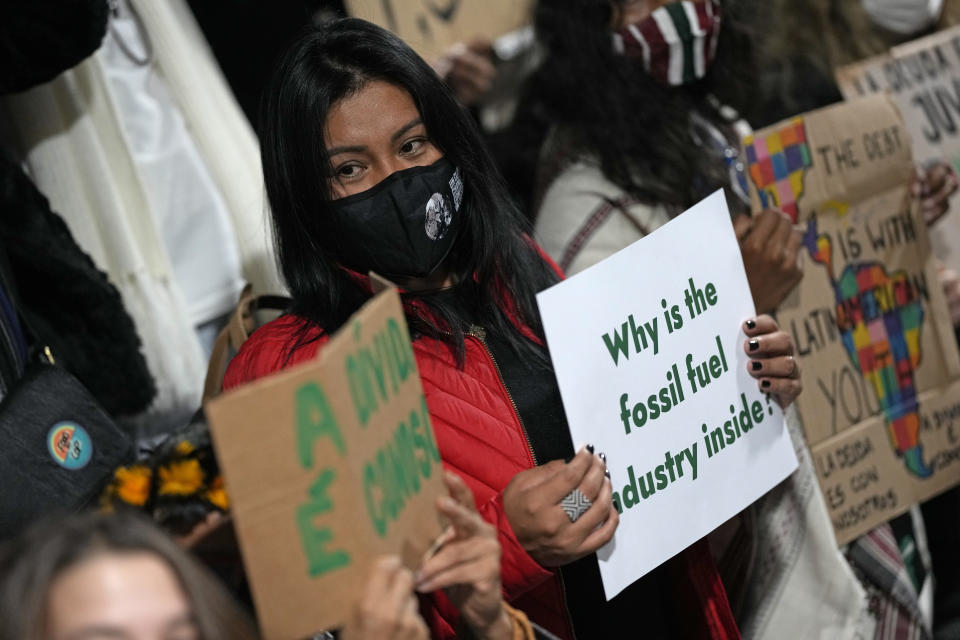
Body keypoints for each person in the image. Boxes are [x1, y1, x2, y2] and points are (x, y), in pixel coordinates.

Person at [223, 17, 802, 639]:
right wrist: (507, 547)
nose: (395, 183)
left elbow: (612, 481)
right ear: (304, 194)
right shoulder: (286, 366)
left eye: (412, 146)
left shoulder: (518, 268)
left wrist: (736, 387)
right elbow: (317, 620)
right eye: (350, 170)